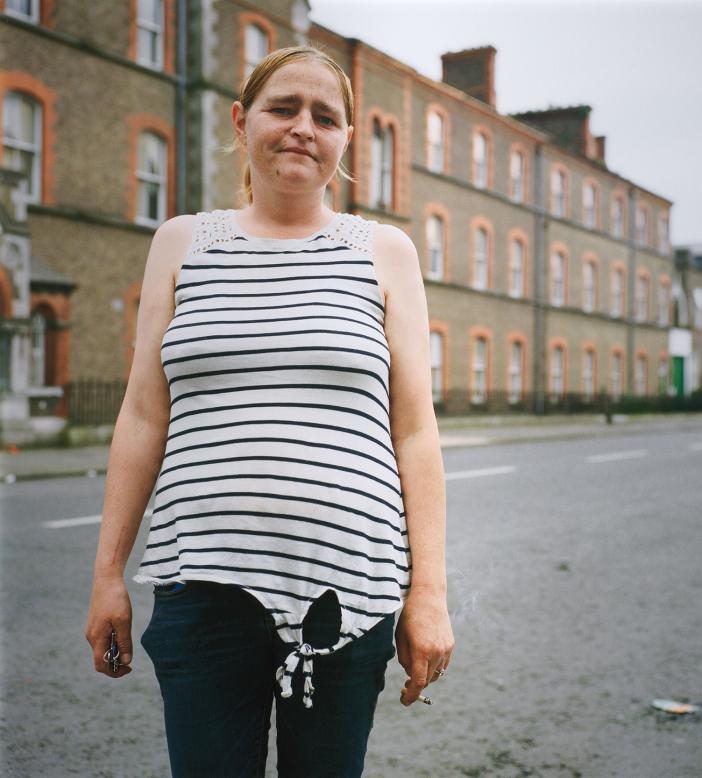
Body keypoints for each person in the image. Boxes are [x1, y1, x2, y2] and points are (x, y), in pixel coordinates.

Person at [84, 44, 453, 777]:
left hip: (351, 589)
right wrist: (107, 574)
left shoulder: (384, 252)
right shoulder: (183, 243)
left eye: (326, 116)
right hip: (205, 588)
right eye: (283, 108)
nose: (302, 128)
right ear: (241, 119)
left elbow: (414, 432)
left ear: (347, 138)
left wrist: (430, 594)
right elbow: (141, 416)